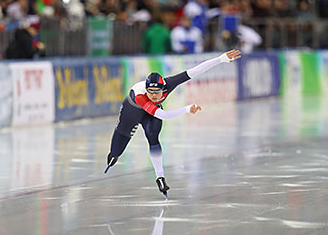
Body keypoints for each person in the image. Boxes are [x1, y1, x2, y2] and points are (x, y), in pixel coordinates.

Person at [104, 49, 242, 196]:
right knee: (115, 152)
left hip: (152, 113)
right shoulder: (141, 97)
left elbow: (194, 71)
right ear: (146, 90)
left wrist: (220, 59)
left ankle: (160, 176)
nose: (154, 96)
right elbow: (164, 115)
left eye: (158, 92)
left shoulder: (169, 84)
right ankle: (115, 153)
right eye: (150, 92)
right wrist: (187, 109)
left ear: (164, 88)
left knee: (153, 137)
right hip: (131, 113)